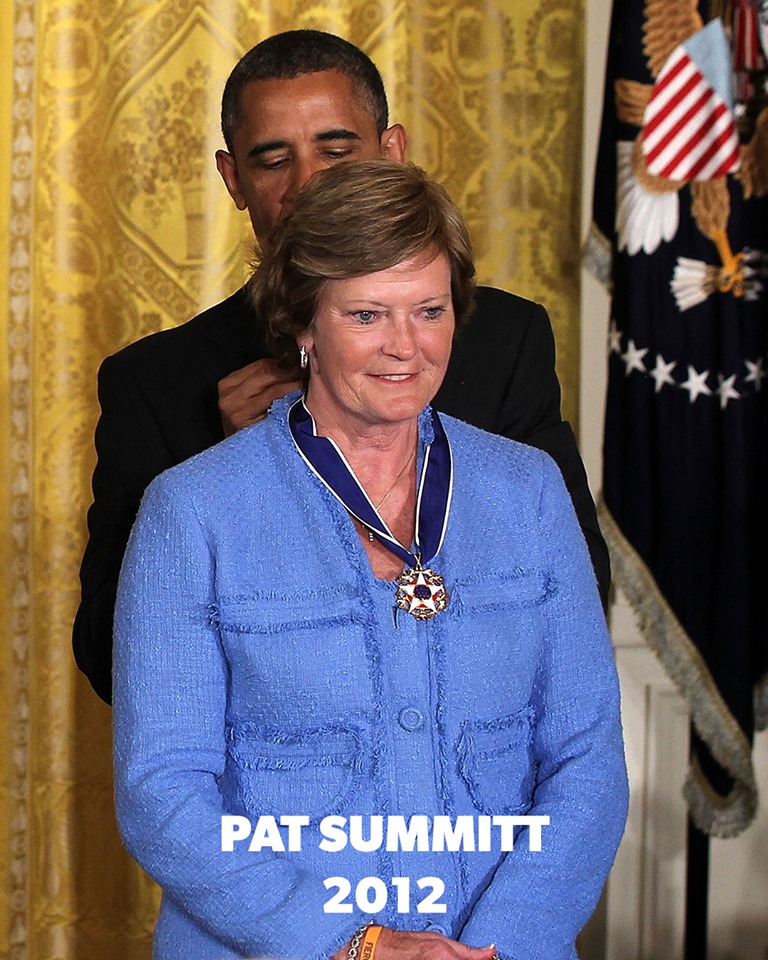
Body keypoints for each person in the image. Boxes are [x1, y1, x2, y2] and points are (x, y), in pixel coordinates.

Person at [113, 159, 627, 960]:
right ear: (303, 324)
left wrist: (503, 945)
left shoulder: (529, 491)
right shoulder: (192, 510)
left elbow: (587, 761)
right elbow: (163, 794)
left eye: (429, 310)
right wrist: (354, 944)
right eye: (366, 314)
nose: (405, 347)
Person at [75, 29, 610, 705]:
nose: (308, 184)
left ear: (392, 153)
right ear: (234, 180)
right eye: (274, 160)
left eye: (336, 151)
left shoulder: (502, 340)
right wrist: (235, 471)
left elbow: (577, 594)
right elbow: (113, 659)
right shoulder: (156, 382)